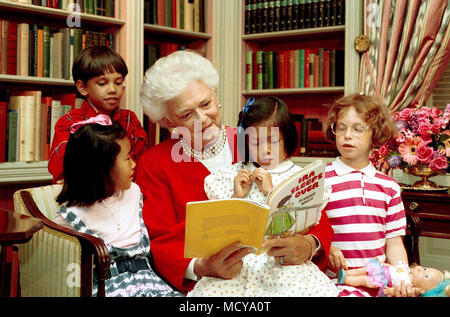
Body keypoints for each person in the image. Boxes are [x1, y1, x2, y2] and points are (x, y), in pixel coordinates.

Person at [136, 50, 334, 294]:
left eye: (206, 104)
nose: (203, 119)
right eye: (187, 114)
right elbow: (160, 238)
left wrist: (309, 244)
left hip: (276, 273)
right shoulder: (154, 163)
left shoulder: (254, 140)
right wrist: (200, 267)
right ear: (167, 121)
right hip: (218, 283)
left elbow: (299, 195)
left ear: (215, 95)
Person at [187, 96, 338, 297]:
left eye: (274, 141)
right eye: (256, 143)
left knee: (292, 288)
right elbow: (219, 227)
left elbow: (307, 222)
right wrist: (236, 195)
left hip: (279, 262)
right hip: (239, 264)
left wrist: (271, 192)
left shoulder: (299, 177)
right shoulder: (230, 176)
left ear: (288, 138)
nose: (265, 150)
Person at [53, 115, 182, 297]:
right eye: (127, 158)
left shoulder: (135, 193)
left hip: (154, 286)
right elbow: (64, 273)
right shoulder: (72, 216)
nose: (134, 164)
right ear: (101, 168)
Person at [322, 93, 412, 297]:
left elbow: (394, 243)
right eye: (341, 127)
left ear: (375, 133)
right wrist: (327, 247)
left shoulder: (388, 186)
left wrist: (402, 278)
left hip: (377, 284)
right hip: (331, 282)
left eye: (357, 128)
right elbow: (311, 231)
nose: (347, 135)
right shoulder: (321, 179)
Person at [48, 45, 147, 183]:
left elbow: (138, 165)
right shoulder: (69, 123)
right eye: (102, 83)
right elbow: (65, 170)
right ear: (82, 88)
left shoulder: (129, 119)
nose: (113, 89)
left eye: (118, 82)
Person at [337, 259, 450, 297]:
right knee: (363, 270)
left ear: (423, 290)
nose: (422, 270)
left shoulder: (407, 287)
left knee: (363, 280)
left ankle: (345, 280)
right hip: (381, 269)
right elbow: (394, 267)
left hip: (381, 280)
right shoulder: (406, 269)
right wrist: (383, 264)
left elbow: (392, 290)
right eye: (426, 268)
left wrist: (388, 291)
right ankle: (346, 273)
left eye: (425, 275)